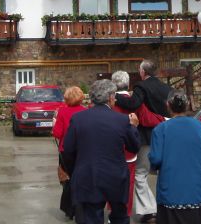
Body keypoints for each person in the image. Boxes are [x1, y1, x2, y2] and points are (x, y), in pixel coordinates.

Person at [63, 79, 140, 224]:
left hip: (87, 175)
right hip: (115, 177)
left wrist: (75, 170)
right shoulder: (122, 120)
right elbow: (134, 147)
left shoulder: (78, 119)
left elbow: (67, 150)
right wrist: (134, 127)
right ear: (110, 97)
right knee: (120, 218)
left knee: (90, 218)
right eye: (114, 97)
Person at [115, 59, 171, 223]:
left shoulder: (141, 87)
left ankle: (149, 210)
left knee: (140, 174)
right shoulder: (167, 88)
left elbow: (134, 104)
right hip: (163, 134)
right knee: (163, 173)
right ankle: (165, 208)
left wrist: (115, 96)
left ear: (142, 72)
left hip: (145, 137)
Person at [149, 90, 201, 224]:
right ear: (187, 105)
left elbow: (155, 159)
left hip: (171, 193)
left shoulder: (161, 129)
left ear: (168, 105)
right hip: (197, 192)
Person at [52, 86, 87, 220]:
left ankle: (69, 209)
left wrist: (54, 124)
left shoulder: (62, 111)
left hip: (65, 151)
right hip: (82, 150)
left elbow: (57, 133)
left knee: (67, 180)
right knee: (81, 180)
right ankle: (80, 208)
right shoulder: (85, 111)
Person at [110, 70, 138, 218]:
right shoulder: (135, 101)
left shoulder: (109, 103)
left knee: (111, 182)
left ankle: (112, 212)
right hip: (129, 149)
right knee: (129, 183)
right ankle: (125, 213)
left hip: (111, 149)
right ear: (128, 83)